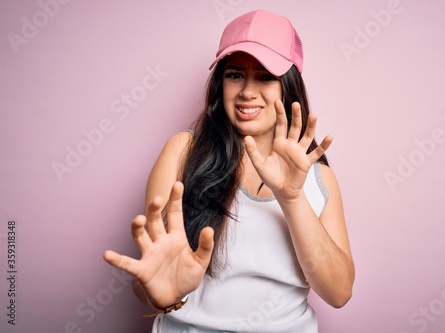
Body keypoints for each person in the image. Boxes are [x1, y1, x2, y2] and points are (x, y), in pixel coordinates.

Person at [103, 9, 354, 333]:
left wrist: (291, 197)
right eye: (235, 74)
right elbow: (153, 275)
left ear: (289, 87)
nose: (247, 91)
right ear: (220, 83)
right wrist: (165, 295)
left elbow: (338, 293)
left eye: (265, 76)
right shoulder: (183, 152)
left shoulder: (320, 179)